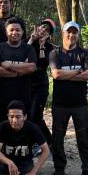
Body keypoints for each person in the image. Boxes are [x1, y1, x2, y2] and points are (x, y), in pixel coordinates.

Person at [50, 21, 88, 175]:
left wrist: (66, 75)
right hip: (60, 104)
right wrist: (77, 72)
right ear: (63, 33)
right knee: (57, 138)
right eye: (68, 32)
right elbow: (56, 75)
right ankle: (59, 169)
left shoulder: (84, 53)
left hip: (80, 104)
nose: (71, 35)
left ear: (78, 34)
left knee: (84, 138)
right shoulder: (55, 53)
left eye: (74, 32)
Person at [0, 17, 36, 140]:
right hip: (2, 97)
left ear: (22, 32)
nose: (15, 33)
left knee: (22, 130)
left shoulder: (28, 49)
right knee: (3, 131)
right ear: (6, 32)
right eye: (11, 30)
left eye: (18, 30)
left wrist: (8, 65)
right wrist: (19, 72)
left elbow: (31, 67)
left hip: (23, 96)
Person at [27, 19, 55, 148]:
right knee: (28, 115)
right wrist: (31, 40)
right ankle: (34, 142)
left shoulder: (50, 48)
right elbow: (21, 55)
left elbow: (43, 63)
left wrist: (42, 46)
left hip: (40, 85)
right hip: (26, 83)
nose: (43, 30)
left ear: (49, 35)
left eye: (47, 30)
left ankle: (49, 142)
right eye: (42, 27)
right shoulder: (28, 41)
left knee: (35, 116)